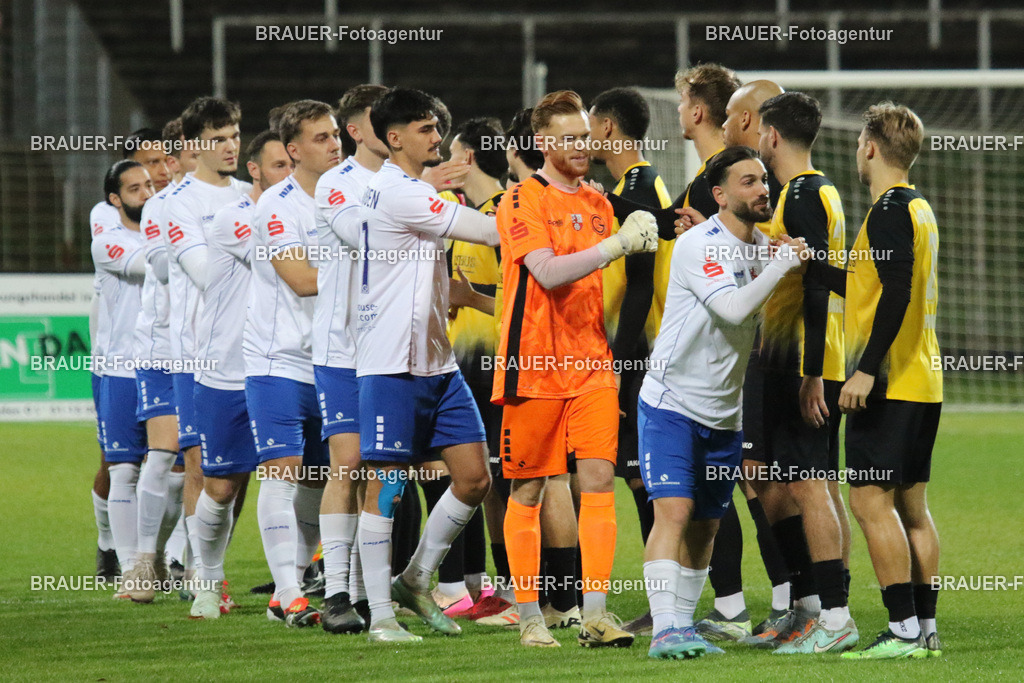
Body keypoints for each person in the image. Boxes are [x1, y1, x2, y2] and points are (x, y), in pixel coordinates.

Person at [492, 90, 657, 649]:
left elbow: (604, 279)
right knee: (531, 488)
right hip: (533, 366)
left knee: (597, 482)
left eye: (586, 137)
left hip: (590, 365)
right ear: (543, 144)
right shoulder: (520, 200)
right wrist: (616, 245)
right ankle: (532, 617)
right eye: (568, 138)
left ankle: (596, 614)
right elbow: (547, 272)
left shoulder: (599, 201)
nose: (581, 147)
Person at [639, 146, 809, 659]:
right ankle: (665, 628)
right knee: (674, 510)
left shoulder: (762, 245)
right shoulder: (700, 246)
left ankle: (683, 624)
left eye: (763, 181)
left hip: (724, 412)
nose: (762, 190)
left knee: (708, 524)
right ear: (720, 194)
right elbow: (733, 311)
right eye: (748, 182)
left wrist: (787, 260)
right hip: (671, 402)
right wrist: (780, 265)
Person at [353, 87, 499, 643]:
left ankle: (415, 579)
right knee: (386, 486)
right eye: (424, 129)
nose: (437, 137)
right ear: (394, 138)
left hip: (436, 361)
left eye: (437, 127)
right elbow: (488, 231)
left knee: (473, 477)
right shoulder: (397, 192)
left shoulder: (409, 188)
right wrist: (539, 200)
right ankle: (381, 617)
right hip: (391, 361)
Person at [808, 103, 942, 660]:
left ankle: (903, 630)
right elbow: (865, 283)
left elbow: (898, 291)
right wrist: (806, 259)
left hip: (889, 383)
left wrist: (865, 368)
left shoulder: (887, 209)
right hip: (923, 382)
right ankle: (926, 629)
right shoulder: (916, 207)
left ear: (868, 147)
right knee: (912, 509)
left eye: (859, 143)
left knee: (867, 502)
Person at [755, 92, 857, 654]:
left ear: (771, 136)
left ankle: (835, 617)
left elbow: (818, 284)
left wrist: (813, 373)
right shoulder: (816, 190)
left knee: (809, 484)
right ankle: (820, 606)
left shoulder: (803, 192)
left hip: (804, 362)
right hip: (803, 359)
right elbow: (819, 269)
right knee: (807, 482)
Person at [188, 130, 294, 619]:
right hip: (228, 372)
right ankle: (207, 577)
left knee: (302, 480)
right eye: (278, 167)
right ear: (255, 170)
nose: (288, 177)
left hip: (286, 367)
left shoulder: (305, 213)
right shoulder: (236, 220)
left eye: (292, 166)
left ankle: (289, 587)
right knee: (222, 486)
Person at [246, 100, 340, 627]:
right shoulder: (276, 206)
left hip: (330, 362)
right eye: (321, 138)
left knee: (319, 480)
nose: (334, 144)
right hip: (276, 360)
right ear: (293, 149)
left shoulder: (347, 196)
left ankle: (291, 586)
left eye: (334, 135)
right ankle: (288, 591)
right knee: (281, 476)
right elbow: (302, 280)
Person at [162, 97, 251, 595]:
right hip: (198, 355)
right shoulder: (181, 202)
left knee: (240, 474)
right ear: (196, 146)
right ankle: (199, 576)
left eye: (235, 135)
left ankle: (205, 565)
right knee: (200, 465)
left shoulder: (248, 194)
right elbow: (203, 272)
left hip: (254, 351)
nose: (230, 145)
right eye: (218, 138)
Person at [313, 83, 389, 634]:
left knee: (385, 470)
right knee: (349, 462)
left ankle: (368, 593)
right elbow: (363, 236)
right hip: (343, 348)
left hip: (394, 352)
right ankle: (336, 593)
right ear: (355, 131)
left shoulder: (408, 183)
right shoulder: (337, 185)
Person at [91, 160, 155, 588]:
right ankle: (129, 563)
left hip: (167, 364)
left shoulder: (166, 228)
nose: (147, 194)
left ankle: (165, 560)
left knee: (170, 467)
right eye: (135, 189)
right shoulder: (109, 241)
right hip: (121, 369)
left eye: (149, 185)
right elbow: (153, 267)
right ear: (115, 200)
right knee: (124, 469)